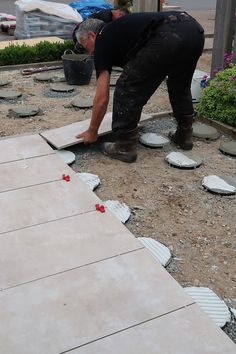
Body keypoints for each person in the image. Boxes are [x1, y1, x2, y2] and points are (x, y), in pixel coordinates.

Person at [75, 11, 205, 163]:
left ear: (92, 35)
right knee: (180, 85)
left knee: (126, 89)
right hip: (194, 31)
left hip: (167, 34)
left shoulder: (103, 38)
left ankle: (124, 147)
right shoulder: (119, 31)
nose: (90, 52)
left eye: (86, 47)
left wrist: (92, 130)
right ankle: (184, 136)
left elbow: (102, 97)